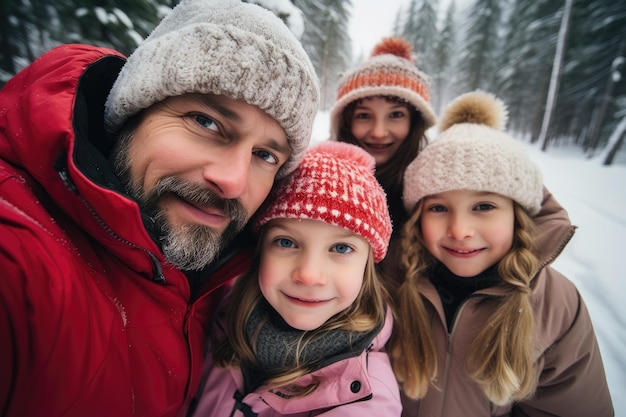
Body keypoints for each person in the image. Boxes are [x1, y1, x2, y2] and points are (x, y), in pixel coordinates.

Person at [0, 0, 320, 415]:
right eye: (206, 122)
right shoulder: (19, 260)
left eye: (265, 155)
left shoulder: (223, 279)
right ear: (131, 113)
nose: (233, 180)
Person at [389, 91, 613, 416]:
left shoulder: (556, 304)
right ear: (417, 218)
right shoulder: (390, 283)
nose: (460, 229)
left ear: (518, 216)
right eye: (438, 207)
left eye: (484, 206)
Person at [190, 141, 401, 416]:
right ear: (260, 250)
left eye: (341, 248)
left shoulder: (365, 400)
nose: (309, 275)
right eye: (286, 242)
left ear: (366, 266)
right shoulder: (218, 319)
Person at [328, 36, 436, 279]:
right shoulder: (324, 183)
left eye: (395, 114)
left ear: (415, 122)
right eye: (364, 116)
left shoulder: (432, 188)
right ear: (346, 122)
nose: (378, 132)